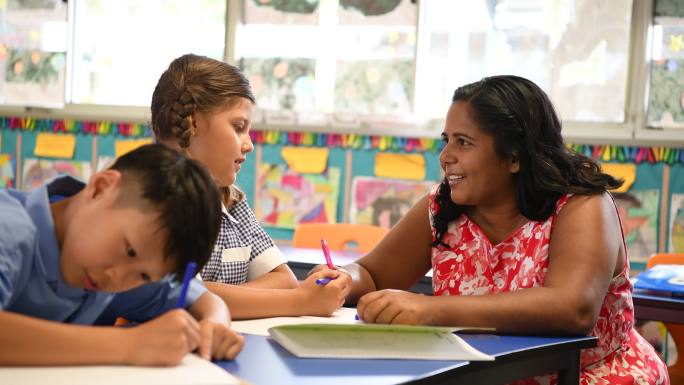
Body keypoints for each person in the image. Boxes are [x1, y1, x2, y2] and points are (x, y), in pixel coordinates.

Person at [339, 76, 669, 384]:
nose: (445, 156)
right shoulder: (441, 207)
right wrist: (341, 280)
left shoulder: (583, 204)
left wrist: (430, 310)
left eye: (464, 142)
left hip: (592, 375)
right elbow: (371, 273)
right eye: (446, 140)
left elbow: (573, 309)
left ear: (514, 157)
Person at [0, 144, 244, 366]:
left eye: (145, 276)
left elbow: (201, 298)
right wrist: (129, 344)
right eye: (129, 250)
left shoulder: (117, 270)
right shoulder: (9, 227)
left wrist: (215, 322)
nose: (117, 279)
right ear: (100, 188)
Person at [149, 54, 349, 319]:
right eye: (239, 127)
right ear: (192, 122)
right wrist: (300, 301)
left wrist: (236, 298)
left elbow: (283, 279)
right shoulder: (153, 201)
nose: (249, 144)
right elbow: (187, 294)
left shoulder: (230, 201)